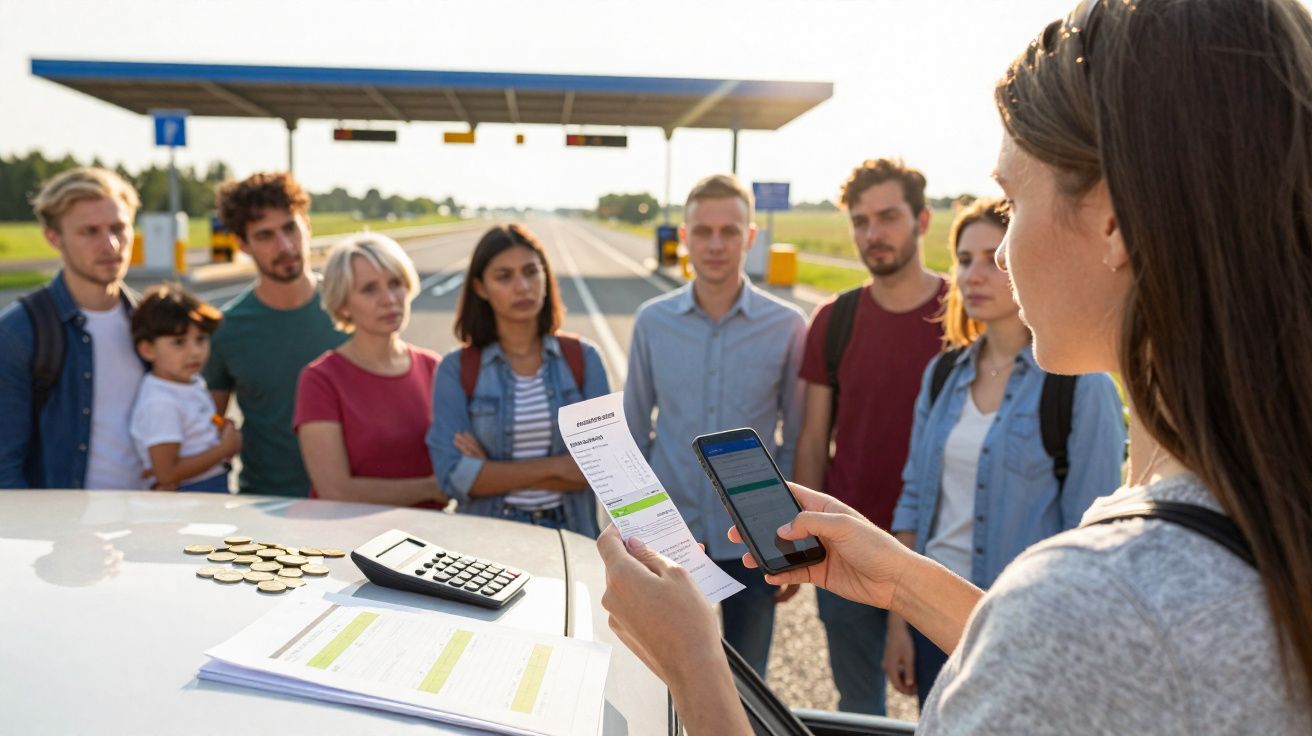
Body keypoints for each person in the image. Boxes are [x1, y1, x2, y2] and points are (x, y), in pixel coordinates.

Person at [597, 0, 1312, 733]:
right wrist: (903, 580)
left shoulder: (1096, 594)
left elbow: (1079, 637)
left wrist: (692, 664)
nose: (997, 254)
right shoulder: (1253, 510)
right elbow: (1073, 666)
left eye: (1012, 199)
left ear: (1113, 221)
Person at [882, 197, 1126, 704]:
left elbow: (1094, 535)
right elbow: (913, 501)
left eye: (993, 257)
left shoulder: (1079, 384)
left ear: (1025, 259)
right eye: (964, 259)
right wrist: (900, 620)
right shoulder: (942, 376)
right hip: (930, 620)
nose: (974, 274)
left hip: (1023, 629)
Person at [624, 173, 806, 679]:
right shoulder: (652, 321)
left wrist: (788, 540)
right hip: (671, 539)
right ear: (684, 237)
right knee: (666, 681)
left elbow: (793, 440)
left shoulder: (788, 325)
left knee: (749, 689)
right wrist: (633, 534)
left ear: (750, 237)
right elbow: (635, 435)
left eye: (730, 231)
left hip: (754, 542)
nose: (716, 244)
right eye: (703, 231)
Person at [792, 158, 946, 713]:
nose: (872, 234)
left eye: (887, 217)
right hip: (848, 545)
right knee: (859, 710)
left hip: (940, 552)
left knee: (949, 707)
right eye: (860, 221)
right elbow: (813, 439)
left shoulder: (964, 317)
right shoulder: (835, 319)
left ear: (923, 220)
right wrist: (800, 539)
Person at [426, 224, 607, 536]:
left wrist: (492, 470)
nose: (522, 286)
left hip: (572, 533)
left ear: (545, 278)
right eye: (504, 276)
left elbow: (604, 469)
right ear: (480, 288)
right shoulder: (456, 369)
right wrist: (558, 466)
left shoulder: (584, 358)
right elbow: (455, 477)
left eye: (530, 272)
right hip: (491, 537)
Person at [0, 167, 147, 489]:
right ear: (54, 237)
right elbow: (4, 469)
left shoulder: (152, 323)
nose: (110, 245)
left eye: (119, 228)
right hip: (65, 533)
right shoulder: (18, 333)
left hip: (150, 528)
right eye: (89, 231)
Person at [202, 172, 346, 497]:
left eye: (290, 228)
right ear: (242, 243)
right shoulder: (226, 329)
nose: (284, 246)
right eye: (265, 235)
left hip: (353, 504)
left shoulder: (351, 308)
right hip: (267, 506)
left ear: (306, 226)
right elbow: (206, 427)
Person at [294, 234, 446, 508]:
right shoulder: (320, 380)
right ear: (343, 304)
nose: (389, 299)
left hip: (428, 541)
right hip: (349, 541)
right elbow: (335, 490)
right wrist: (432, 488)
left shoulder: (435, 368)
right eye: (369, 289)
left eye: (395, 283)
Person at [128, 285, 240, 492]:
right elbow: (167, 472)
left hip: (208, 488)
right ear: (148, 349)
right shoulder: (160, 402)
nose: (195, 352)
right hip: (187, 499)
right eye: (179, 342)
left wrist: (220, 426)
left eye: (201, 339)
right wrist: (224, 449)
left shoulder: (191, 382)